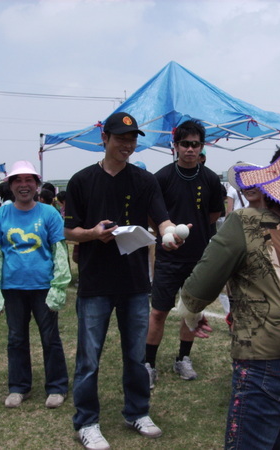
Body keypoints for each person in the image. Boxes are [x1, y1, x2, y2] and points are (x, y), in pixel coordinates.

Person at [178, 147, 280, 449]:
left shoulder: (245, 220)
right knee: (275, 435)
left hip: (270, 358)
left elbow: (198, 286)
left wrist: (190, 314)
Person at [65, 112, 176, 448]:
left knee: (136, 356)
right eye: (120, 138)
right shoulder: (81, 181)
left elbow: (163, 218)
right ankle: (86, 422)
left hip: (134, 284)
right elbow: (69, 230)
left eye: (132, 139)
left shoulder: (144, 181)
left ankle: (137, 412)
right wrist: (92, 233)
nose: (127, 145)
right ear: (104, 139)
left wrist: (172, 233)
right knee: (89, 358)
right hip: (96, 283)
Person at [0, 160, 71, 409]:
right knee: (16, 338)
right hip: (12, 289)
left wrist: (59, 286)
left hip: (43, 287)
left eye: (29, 180)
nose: (24, 185)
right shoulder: (0, 216)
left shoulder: (49, 214)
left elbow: (59, 252)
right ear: (10, 185)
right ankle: (18, 386)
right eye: (18, 181)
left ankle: (56, 386)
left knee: (50, 338)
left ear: (36, 184)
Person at [145, 119, 223, 387]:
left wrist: (199, 230)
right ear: (175, 146)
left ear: (202, 146)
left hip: (199, 258)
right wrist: (165, 235)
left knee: (192, 312)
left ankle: (183, 359)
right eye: (185, 144)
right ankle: (148, 363)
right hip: (167, 258)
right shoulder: (161, 178)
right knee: (158, 312)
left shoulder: (211, 179)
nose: (190, 149)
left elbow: (213, 214)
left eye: (195, 144)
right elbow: (153, 215)